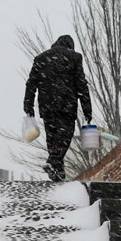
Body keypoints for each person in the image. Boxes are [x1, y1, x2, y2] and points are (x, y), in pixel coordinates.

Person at [23, 34, 93, 182]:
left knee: (53, 137)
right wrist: (87, 109)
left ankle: (58, 172)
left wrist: (28, 106)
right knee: (65, 136)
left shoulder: (41, 58)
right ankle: (54, 162)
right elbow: (81, 84)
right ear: (70, 46)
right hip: (66, 105)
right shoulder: (74, 57)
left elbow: (31, 84)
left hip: (47, 106)